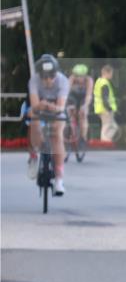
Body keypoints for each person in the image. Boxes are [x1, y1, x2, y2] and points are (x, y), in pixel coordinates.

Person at [26, 54, 69, 195]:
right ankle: (33, 155)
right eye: (44, 77)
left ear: (56, 74)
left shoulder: (63, 81)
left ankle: (59, 179)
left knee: (57, 134)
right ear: (40, 75)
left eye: (51, 76)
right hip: (39, 108)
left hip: (56, 109)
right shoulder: (34, 80)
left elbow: (61, 106)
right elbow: (34, 104)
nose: (48, 80)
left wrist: (54, 107)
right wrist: (41, 106)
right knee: (34, 122)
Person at [66, 64, 94, 146]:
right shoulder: (71, 79)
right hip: (73, 97)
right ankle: (72, 134)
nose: (79, 78)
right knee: (71, 112)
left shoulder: (89, 80)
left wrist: (85, 106)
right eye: (77, 76)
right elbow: (66, 93)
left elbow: (89, 95)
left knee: (83, 114)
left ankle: (83, 137)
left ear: (85, 75)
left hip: (84, 98)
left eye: (81, 76)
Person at [93, 65, 119, 142]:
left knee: (113, 126)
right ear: (107, 73)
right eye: (111, 73)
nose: (112, 75)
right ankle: (105, 142)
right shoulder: (104, 83)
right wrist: (109, 108)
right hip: (105, 109)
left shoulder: (99, 81)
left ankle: (106, 140)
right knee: (107, 126)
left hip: (100, 108)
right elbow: (105, 97)